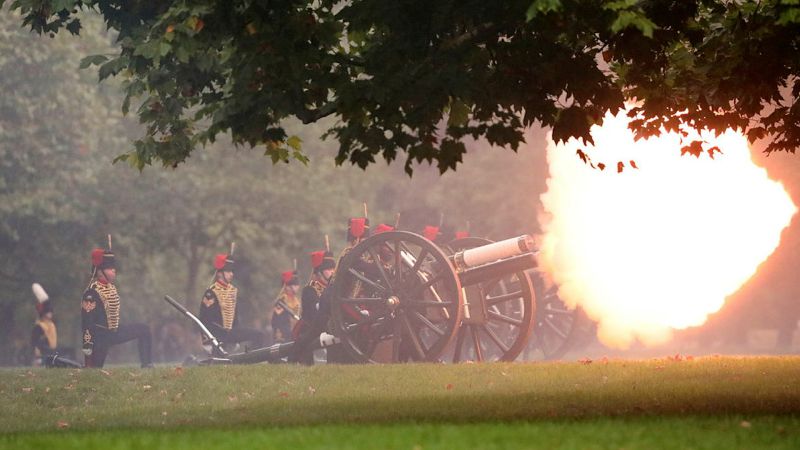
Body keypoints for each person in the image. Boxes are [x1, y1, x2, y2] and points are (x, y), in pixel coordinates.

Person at [81, 248, 153, 368]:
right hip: (99, 337)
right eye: (109, 268)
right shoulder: (91, 293)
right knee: (93, 370)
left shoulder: (111, 288)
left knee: (144, 329)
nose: (114, 270)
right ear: (100, 271)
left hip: (114, 331)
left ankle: (147, 365)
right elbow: (87, 322)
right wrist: (87, 345)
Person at [198, 253, 265, 351]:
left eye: (232, 271)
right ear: (220, 273)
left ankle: (250, 357)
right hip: (218, 334)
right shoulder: (211, 293)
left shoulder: (232, 291)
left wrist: (239, 333)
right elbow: (206, 320)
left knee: (259, 335)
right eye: (228, 271)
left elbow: (235, 319)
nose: (232, 274)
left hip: (231, 332)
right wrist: (209, 341)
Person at [289, 250, 336, 365]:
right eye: (329, 269)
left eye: (333, 269)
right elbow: (313, 316)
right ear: (320, 271)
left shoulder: (331, 288)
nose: (333, 272)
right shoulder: (310, 289)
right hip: (310, 327)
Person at [271, 270, 301, 343]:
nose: (296, 287)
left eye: (296, 285)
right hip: (284, 337)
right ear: (286, 286)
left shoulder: (296, 300)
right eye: (293, 285)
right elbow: (278, 322)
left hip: (295, 334)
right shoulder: (281, 301)